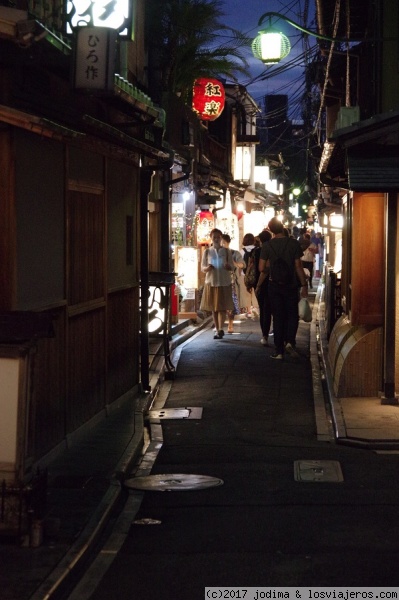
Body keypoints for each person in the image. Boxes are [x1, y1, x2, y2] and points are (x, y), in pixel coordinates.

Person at [258, 217, 308, 360]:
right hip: (291, 285)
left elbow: (262, 268)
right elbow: (298, 266)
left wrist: (272, 266)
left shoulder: (267, 245)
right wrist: (304, 285)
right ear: (282, 227)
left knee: (278, 316)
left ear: (271, 230)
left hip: (274, 286)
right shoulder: (293, 243)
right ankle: (290, 341)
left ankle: (278, 350)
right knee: (292, 314)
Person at [200, 228, 234, 339]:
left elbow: (232, 267)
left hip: (224, 281)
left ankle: (220, 329)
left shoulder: (226, 251)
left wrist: (228, 266)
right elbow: (202, 268)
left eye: (218, 237)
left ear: (221, 238)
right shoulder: (207, 251)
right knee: (214, 308)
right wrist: (207, 268)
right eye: (214, 237)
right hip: (211, 282)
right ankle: (217, 329)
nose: (216, 239)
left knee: (222, 307)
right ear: (211, 237)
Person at [221, 234, 246, 334]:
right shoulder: (216, 253)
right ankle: (220, 326)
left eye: (223, 242)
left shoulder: (234, 253)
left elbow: (243, 265)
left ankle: (230, 324)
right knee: (220, 305)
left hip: (231, 282)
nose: (221, 244)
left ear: (227, 243)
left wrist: (233, 262)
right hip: (219, 282)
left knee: (230, 305)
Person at [254, 229, 273, 346]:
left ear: (260, 240)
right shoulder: (272, 250)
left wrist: (257, 285)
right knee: (271, 310)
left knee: (263, 310)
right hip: (272, 282)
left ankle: (264, 335)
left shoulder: (257, 252)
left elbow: (260, 270)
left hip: (261, 283)